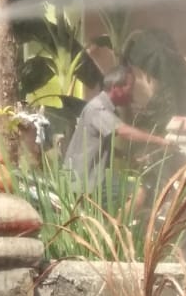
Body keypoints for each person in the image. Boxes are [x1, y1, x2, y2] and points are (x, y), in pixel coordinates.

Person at [63, 66, 169, 206]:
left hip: (88, 177)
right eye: (130, 88)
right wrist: (160, 140)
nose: (132, 93)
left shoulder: (102, 107)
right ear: (116, 88)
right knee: (138, 192)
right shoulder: (98, 108)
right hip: (87, 179)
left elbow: (94, 145)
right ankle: (117, 222)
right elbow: (124, 131)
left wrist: (125, 156)